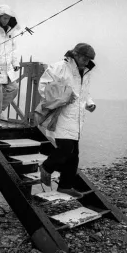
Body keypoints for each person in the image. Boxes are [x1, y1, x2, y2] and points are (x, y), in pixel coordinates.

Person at [38, 43, 97, 198]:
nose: (86, 61)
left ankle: (65, 186)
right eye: (84, 57)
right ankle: (46, 167)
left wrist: (89, 103)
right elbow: (43, 87)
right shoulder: (59, 67)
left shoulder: (86, 72)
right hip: (61, 114)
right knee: (65, 149)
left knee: (74, 154)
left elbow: (83, 93)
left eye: (89, 59)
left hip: (77, 118)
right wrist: (62, 96)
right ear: (75, 54)